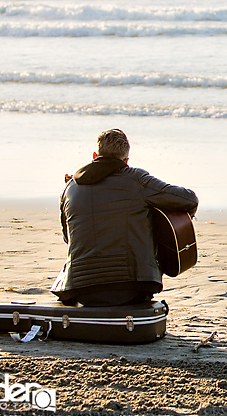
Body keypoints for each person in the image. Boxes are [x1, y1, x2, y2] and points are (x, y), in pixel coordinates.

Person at [52, 128, 199, 306]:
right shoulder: (137, 179)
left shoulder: (69, 189)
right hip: (133, 288)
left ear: (94, 155)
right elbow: (188, 199)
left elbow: (68, 238)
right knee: (145, 212)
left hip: (81, 290)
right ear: (126, 160)